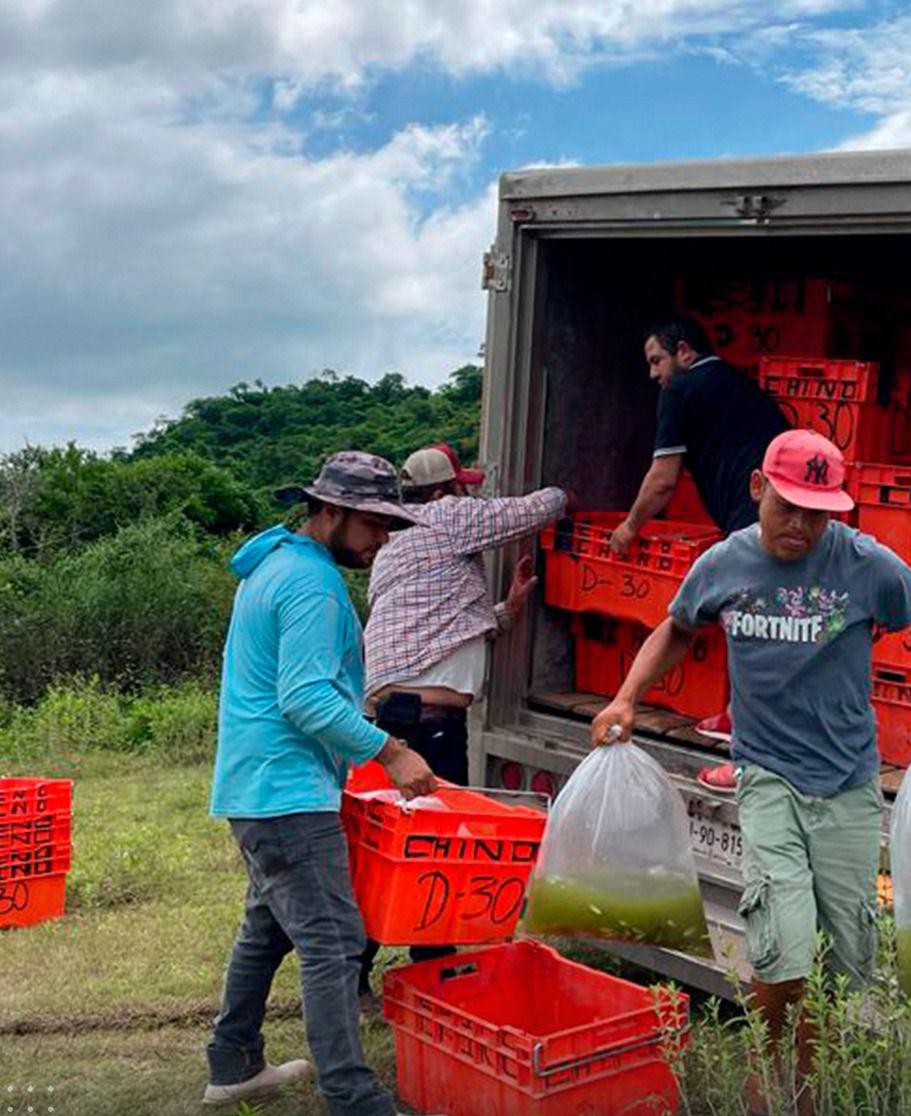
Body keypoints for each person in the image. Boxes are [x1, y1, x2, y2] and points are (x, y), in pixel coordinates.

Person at [591, 430, 911, 1116]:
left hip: (848, 782)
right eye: (787, 506)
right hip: (767, 774)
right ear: (757, 489)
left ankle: (809, 1083)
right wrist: (626, 698)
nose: (800, 525)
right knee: (784, 943)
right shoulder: (724, 563)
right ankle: (768, 1083)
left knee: (844, 956)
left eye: (817, 514)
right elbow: (678, 627)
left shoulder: (864, 563)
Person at [204, 452, 440, 1115]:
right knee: (334, 941)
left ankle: (234, 1065)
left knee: (267, 928)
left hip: (259, 786)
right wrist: (390, 752)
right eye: (374, 524)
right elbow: (304, 697)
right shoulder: (311, 584)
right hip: (287, 792)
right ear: (330, 511)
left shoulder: (274, 564)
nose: (382, 540)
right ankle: (353, 1097)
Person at [356, 442, 568, 997]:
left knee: (393, 845)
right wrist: (572, 489)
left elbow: (444, 627)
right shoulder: (447, 517)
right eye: (463, 487)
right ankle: (432, 973)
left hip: (392, 714)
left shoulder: (395, 543)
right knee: (437, 846)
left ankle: (358, 971)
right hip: (427, 723)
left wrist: (509, 609)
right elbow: (536, 509)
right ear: (447, 490)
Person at [609, 314, 789, 784]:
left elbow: (663, 480)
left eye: (657, 361)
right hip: (779, 516)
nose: (653, 374)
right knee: (748, 623)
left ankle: (748, 760)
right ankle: (733, 715)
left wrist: (629, 526)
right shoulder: (737, 383)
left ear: (684, 352)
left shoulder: (681, 389)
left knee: (759, 633)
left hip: (756, 521)